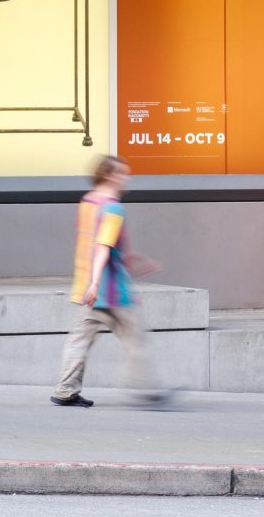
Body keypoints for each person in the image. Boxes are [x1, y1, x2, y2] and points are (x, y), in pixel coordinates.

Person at [51, 154, 165, 408]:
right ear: (110, 176)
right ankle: (145, 390)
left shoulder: (88, 203)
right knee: (135, 339)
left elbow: (96, 243)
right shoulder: (113, 207)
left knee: (78, 342)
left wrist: (129, 260)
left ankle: (65, 390)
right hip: (111, 291)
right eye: (124, 174)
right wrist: (97, 282)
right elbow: (103, 245)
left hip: (86, 289)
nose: (128, 178)